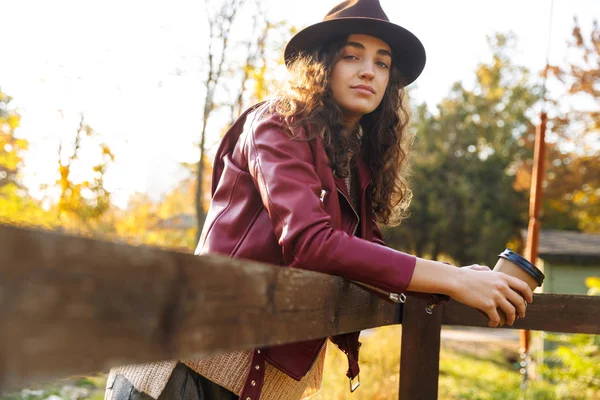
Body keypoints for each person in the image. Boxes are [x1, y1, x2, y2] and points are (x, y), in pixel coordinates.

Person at [105, 0, 533, 399]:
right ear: (321, 63)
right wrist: (452, 278)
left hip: (257, 380)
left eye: (382, 63)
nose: (369, 71)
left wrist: (460, 279)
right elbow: (311, 242)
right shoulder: (277, 123)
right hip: (182, 364)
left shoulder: (356, 162)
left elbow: (368, 256)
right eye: (352, 55)